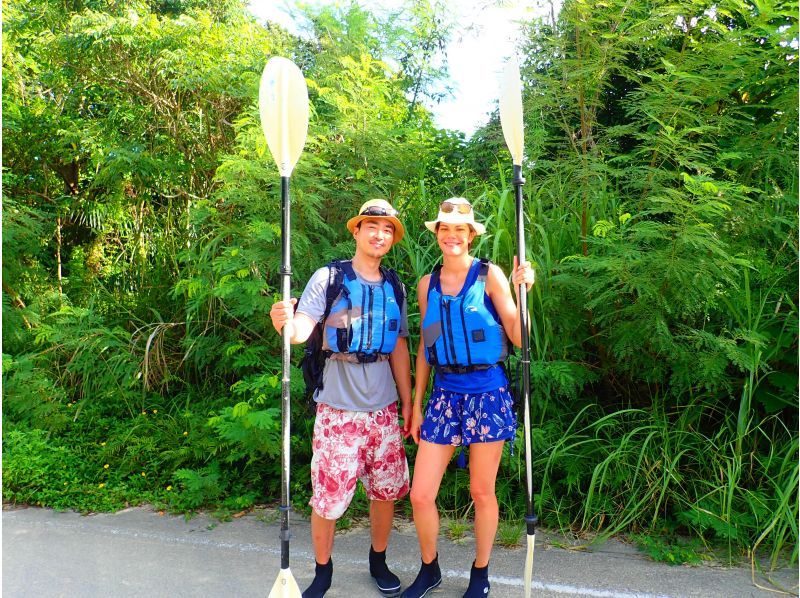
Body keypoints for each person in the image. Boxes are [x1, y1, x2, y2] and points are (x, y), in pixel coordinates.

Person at [269, 199, 413, 598]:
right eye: (371, 226)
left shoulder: (395, 286)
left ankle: (378, 559)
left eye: (387, 229)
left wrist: (407, 404)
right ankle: (322, 571)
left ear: (393, 238)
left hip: (383, 409)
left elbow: (399, 347)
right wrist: (282, 320)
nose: (379, 234)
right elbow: (301, 328)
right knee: (328, 496)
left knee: (385, 491)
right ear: (357, 230)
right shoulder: (329, 277)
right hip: (337, 407)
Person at [402, 197, 534, 598]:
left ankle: (480, 573)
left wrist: (523, 292)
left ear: (471, 234)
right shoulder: (428, 285)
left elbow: (518, 335)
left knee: (481, 491)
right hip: (444, 395)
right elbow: (428, 348)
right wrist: (418, 405)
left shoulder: (489, 275)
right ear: (437, 234)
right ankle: (430, 569)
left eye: (461, 229)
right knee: (420, 493)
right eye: (445, 228)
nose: (452, 235)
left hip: (487, 393)